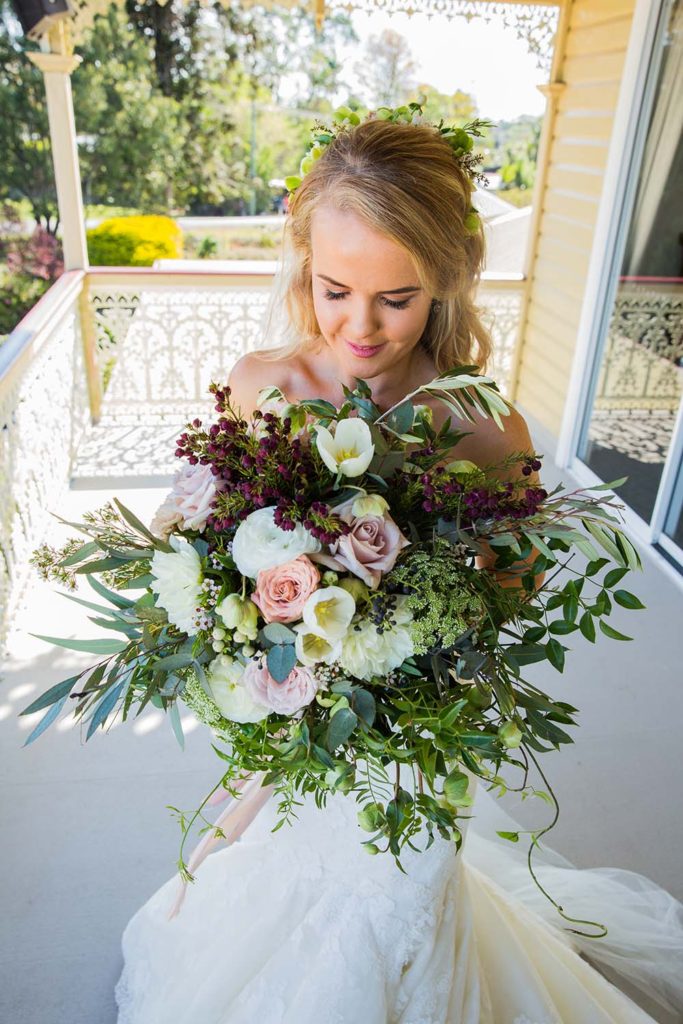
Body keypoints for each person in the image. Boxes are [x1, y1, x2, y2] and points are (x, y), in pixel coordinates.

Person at [114, 114, 683, 1024]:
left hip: (410, 736)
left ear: (444, 283)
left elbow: (518, 577)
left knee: (401, 894)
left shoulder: (482, 424)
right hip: (297, 710)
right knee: (294, 873)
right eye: (335, 290)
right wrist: (247, 627)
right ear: (305, 263)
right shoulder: (262, 383)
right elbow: (202, 527)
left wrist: (424, 630)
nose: (360, 325)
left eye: (396, 298)